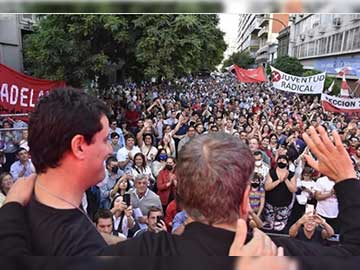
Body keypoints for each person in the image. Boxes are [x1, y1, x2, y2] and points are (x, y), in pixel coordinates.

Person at [2, 122, 360, 262]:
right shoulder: (286, 256)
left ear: (179, 192)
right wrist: (346, 177)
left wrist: (13, 208)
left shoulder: (145, 255)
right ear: (243, 198)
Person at [263, 155, 297, 233]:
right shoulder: (271, 172)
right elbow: (267, 187)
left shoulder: (292, 174)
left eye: (284, 160)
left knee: (279, 228)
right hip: (270, 204)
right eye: (280, 160)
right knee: (269, 226)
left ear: (287, 163)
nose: (281, 161)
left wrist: (285, 179)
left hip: (284, 206)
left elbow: (293, 189)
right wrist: (279, 180)